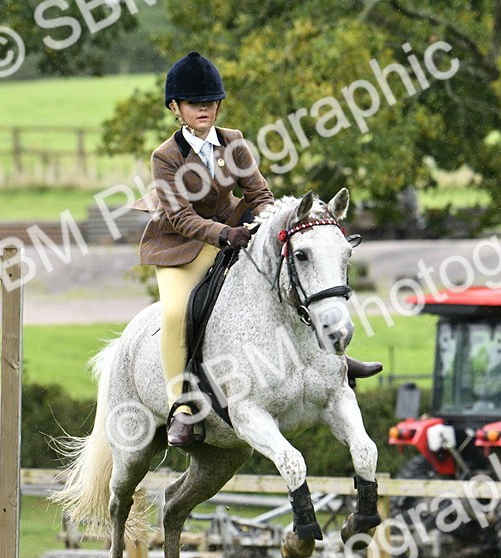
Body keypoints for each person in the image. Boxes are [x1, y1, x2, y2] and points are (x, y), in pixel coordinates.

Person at [137, 52, 381, 447]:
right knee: (178, 312)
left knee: (289, 281)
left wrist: (267, 225)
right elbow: (181, 217)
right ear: (175, 108)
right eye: (194, 103)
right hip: (181, 246)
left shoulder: (233, 141)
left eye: (210, 102)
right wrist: (223, 235)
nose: (204, 109)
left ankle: (331, 362)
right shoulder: (165, 156)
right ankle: (181, 406)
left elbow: (260, 194)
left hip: (234, 233)